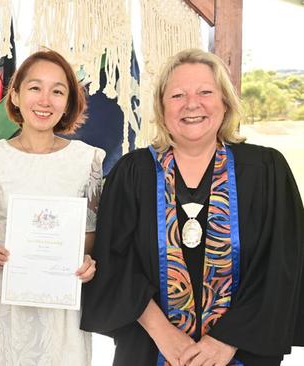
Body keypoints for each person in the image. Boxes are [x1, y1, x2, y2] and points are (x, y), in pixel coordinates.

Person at [80, 48, 304, 366]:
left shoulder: (266, 170)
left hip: (243, 352)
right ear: (161, 108)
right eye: (177, 95)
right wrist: (165, 335)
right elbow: (114, 261)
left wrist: (225, 341)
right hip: (150, 351)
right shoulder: (133, 173)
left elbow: (283, 264)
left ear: (225, 101)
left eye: (205, 92)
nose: (192, 104)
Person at [0, 49, 104, 365]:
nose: (45, 100)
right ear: (15, 95)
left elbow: (90, 231)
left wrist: (87, 259)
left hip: (62, 300)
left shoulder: (88, 160)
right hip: (5, 297)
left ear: (68, 101)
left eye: (57, 91)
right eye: (35, 88)